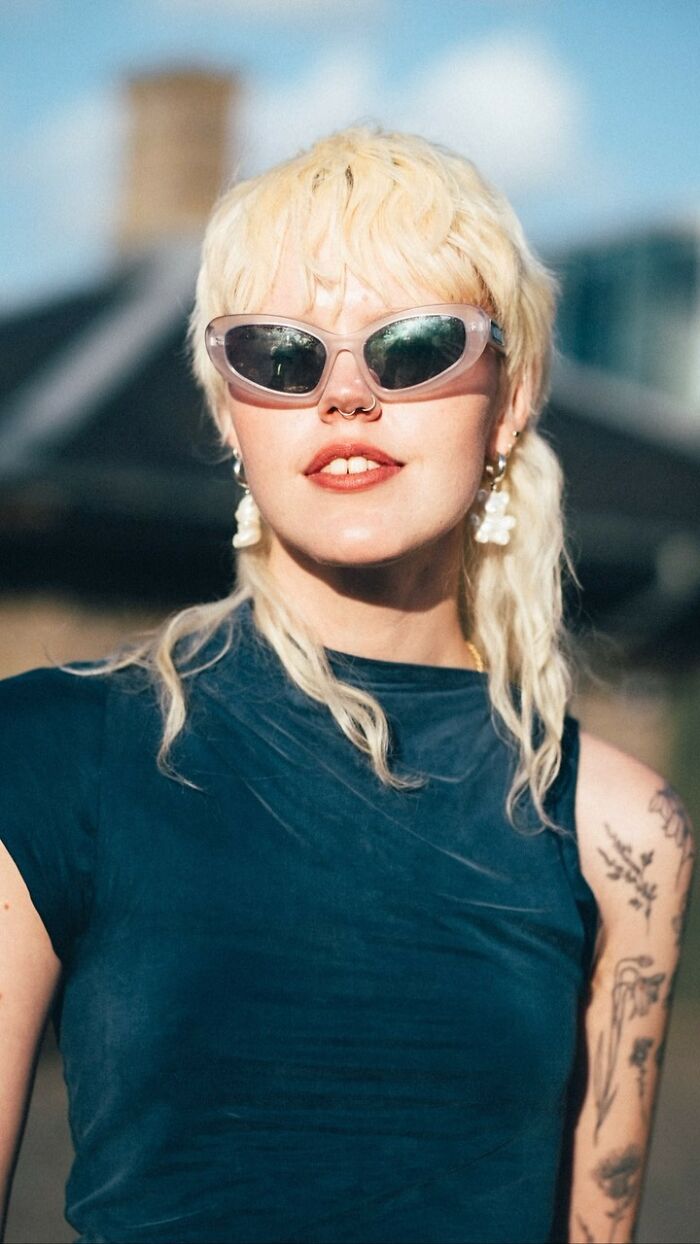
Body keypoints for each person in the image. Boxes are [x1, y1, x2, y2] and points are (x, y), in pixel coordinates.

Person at [0, 127, 694, 1244]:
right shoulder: (45, 752)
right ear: (230, 413)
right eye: (280, 354)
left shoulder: (622, 831)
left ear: (507, 400)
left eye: (412, 346)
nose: (345, 394)